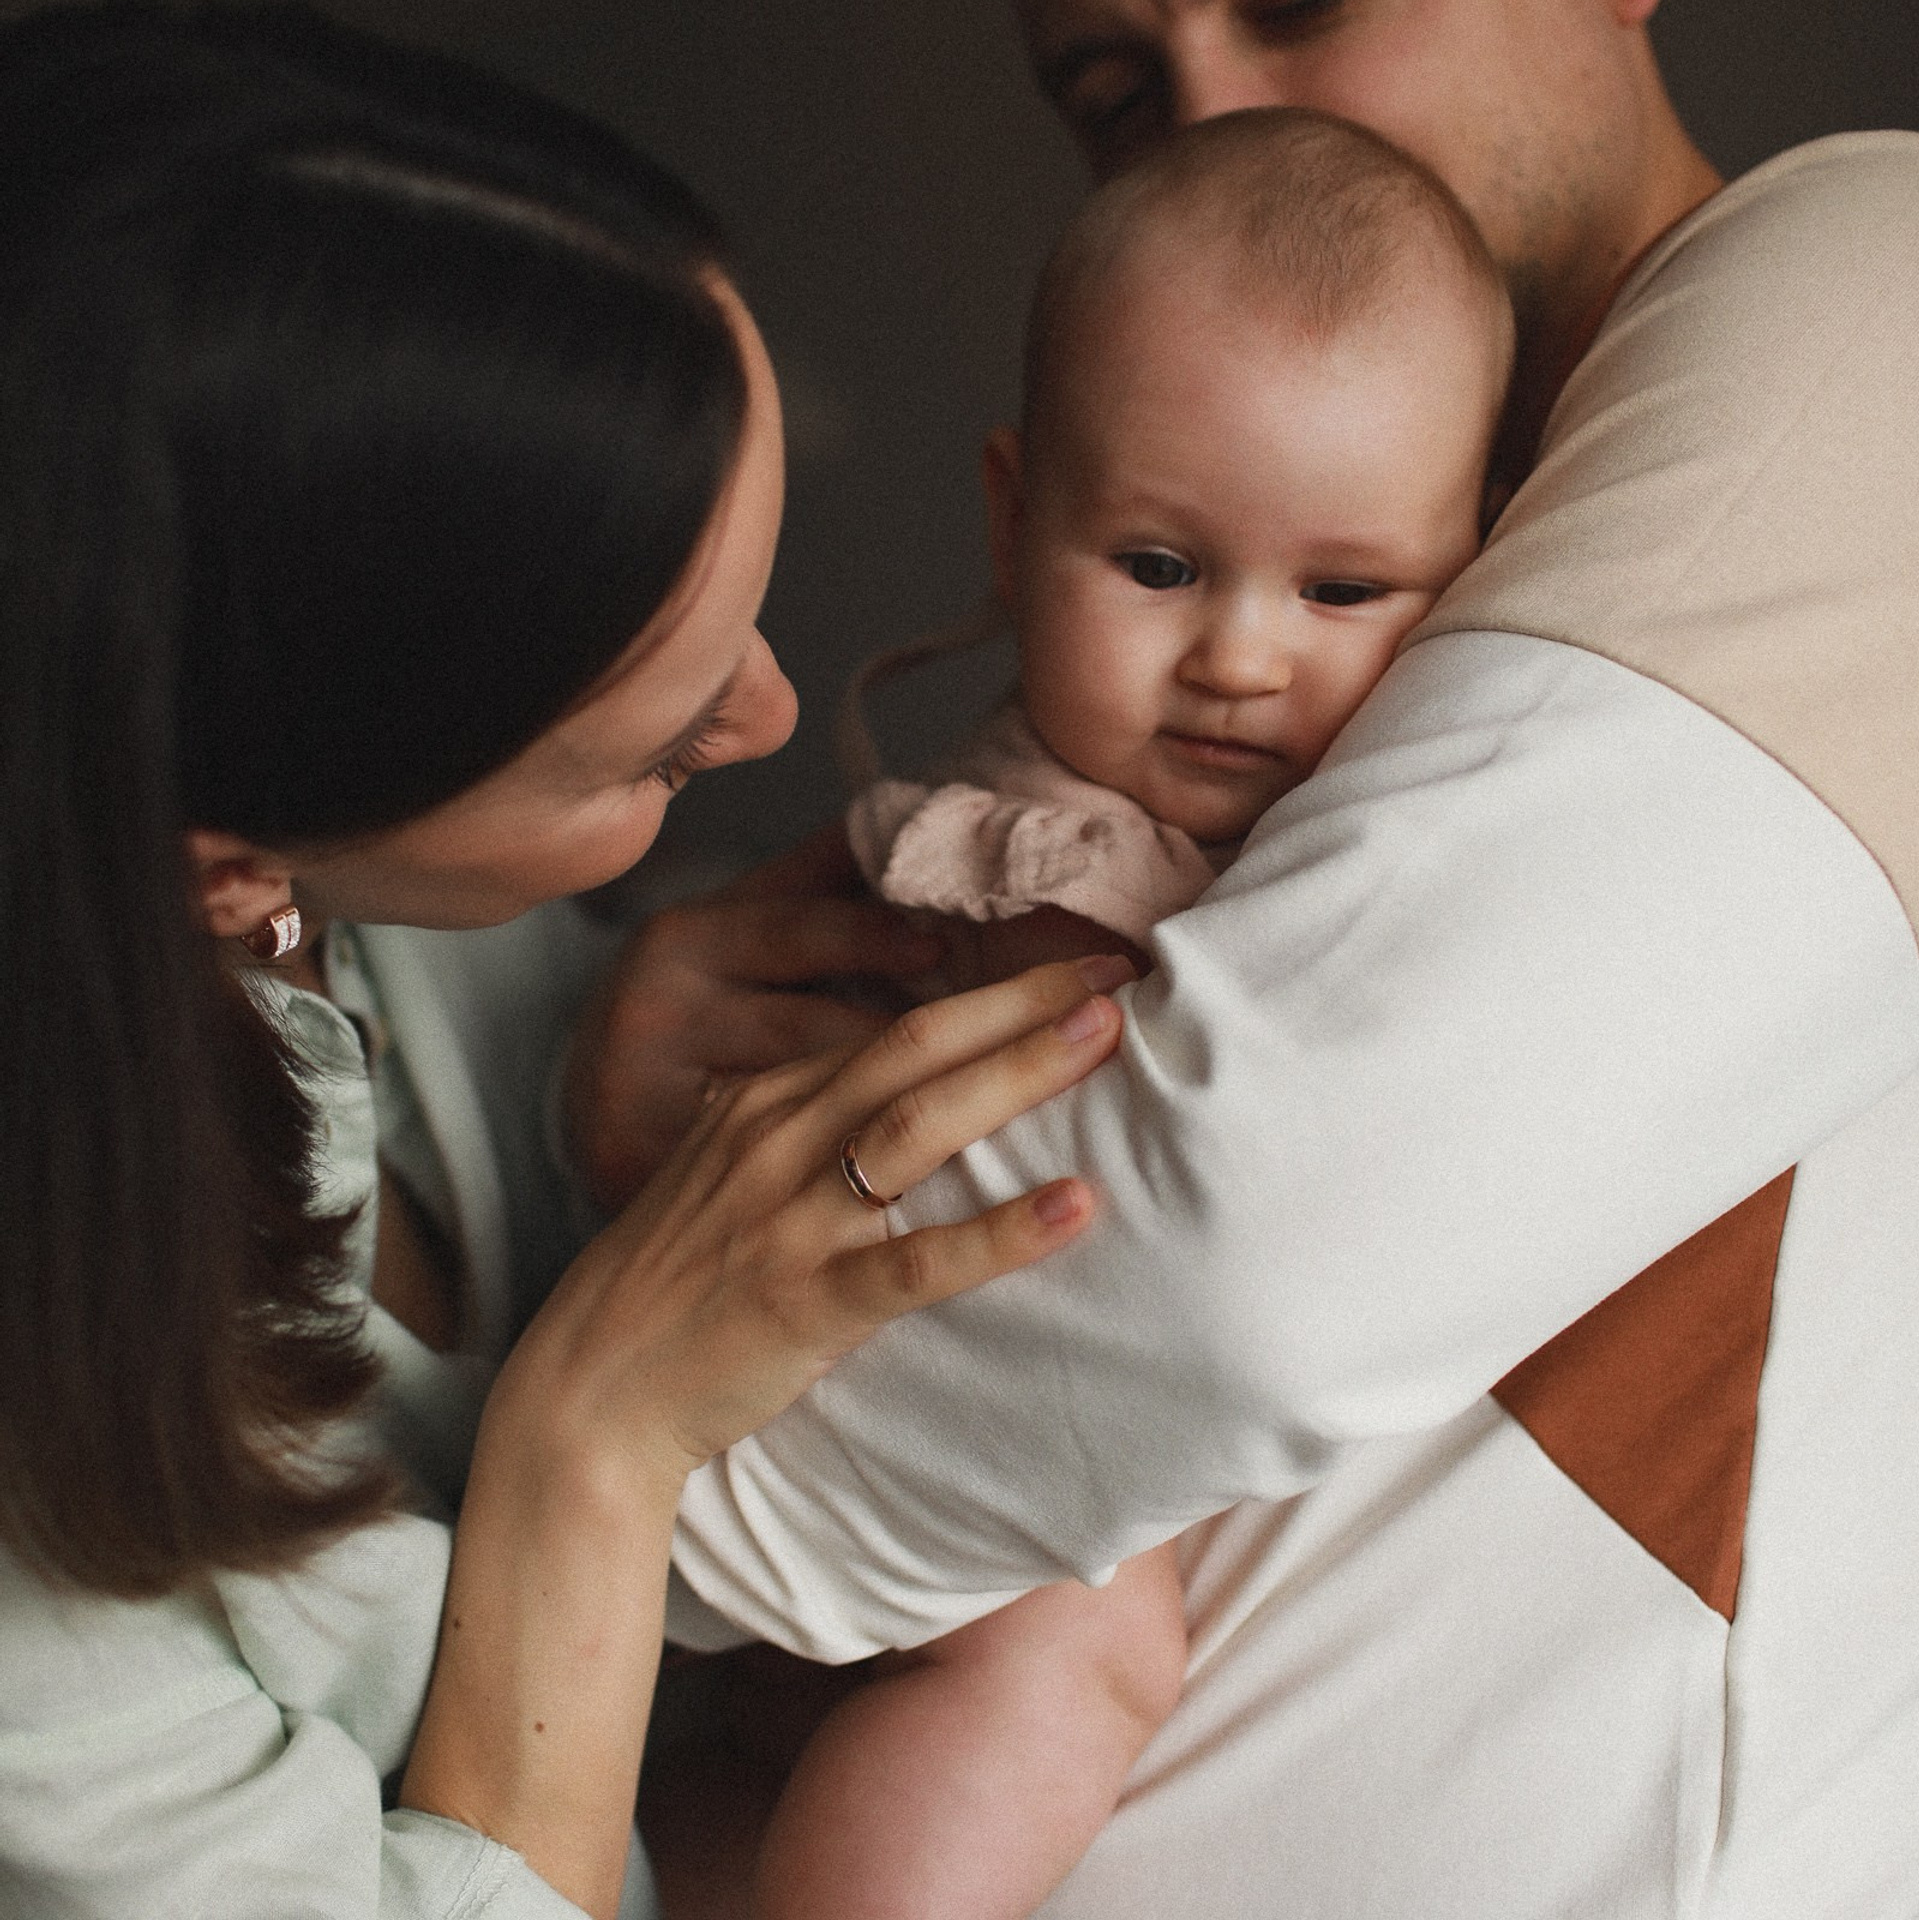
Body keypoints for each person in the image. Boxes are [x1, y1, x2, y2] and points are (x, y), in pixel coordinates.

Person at [584, 2, 1919, 1913]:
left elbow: (1244, 1247)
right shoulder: (1110, 780)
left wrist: (588, 1506)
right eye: (1116, 91)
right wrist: (650, 1097)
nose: (1210, 112)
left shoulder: (1877, 297)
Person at [0, 10, 1134, 1919]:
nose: (780, 711)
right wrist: (592, 1453)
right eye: (648, 752)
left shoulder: (290, 901)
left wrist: (565, 1091)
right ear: (218, 866)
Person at [745, 108, 1511, 1920]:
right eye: (1160, 568)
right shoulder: (1047, 858)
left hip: (930, 1346)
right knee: (1076, 1662)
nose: (1243, 657)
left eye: (1344, 591)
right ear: (1016, 527)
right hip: (859, 1340)